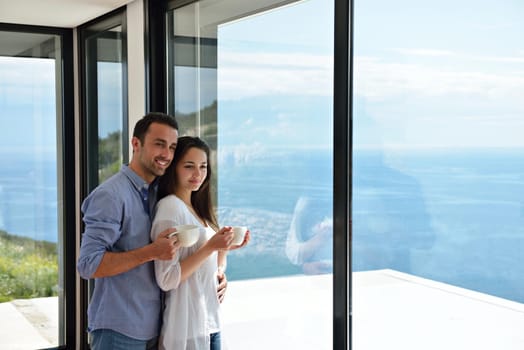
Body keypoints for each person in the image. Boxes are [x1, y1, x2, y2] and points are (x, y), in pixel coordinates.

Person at [77, 112, 181, 350]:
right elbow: (88, 265)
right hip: (119, 330)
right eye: (159, 144)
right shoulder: (110, 196)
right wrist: (152, 252)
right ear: (136, 144)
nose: (166, 154)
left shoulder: (158, 193)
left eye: (172, 147)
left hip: (153, 328)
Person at [151, 136, 250, 350]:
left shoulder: (198, 209)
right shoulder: (170, 208)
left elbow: (207, 264)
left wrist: (223, 255)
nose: (198, 174)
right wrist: (210, 247)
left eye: (203, 166)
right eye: (189, 166)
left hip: (210, 323)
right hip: (186, 330)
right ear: (173, 168)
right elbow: (167, 279)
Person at [286, 195, 333, 275]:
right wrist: (305, 267)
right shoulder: (305, 202)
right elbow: (294, 255)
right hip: (319, 277)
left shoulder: (355, 200)